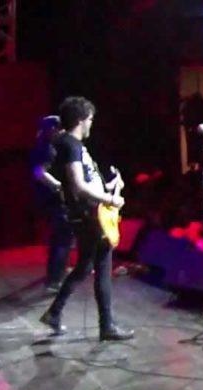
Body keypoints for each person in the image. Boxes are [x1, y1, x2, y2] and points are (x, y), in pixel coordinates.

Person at [39, 97, 134, 341]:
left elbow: (86, 182)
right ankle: (106, 326)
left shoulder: (73, 146)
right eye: (90, 119)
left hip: (89, 213)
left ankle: (55, 313)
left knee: (86, 266)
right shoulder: (70, 146)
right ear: (81, 120)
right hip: (88, 216)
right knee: (101, 266)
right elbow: (79, 185)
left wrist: (110, 186)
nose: (92, 124)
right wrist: (110, 199)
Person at [31, 115, 71, 291]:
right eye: (60, 128)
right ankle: (55, 280)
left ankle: (58, 273)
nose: (63, 132)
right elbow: (39, 172)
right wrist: (60, 186)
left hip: (51, 200)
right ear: (53, 129)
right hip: (55, 200)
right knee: (62, 239)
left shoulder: (44, 146)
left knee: (60, 238)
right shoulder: (48, 149)